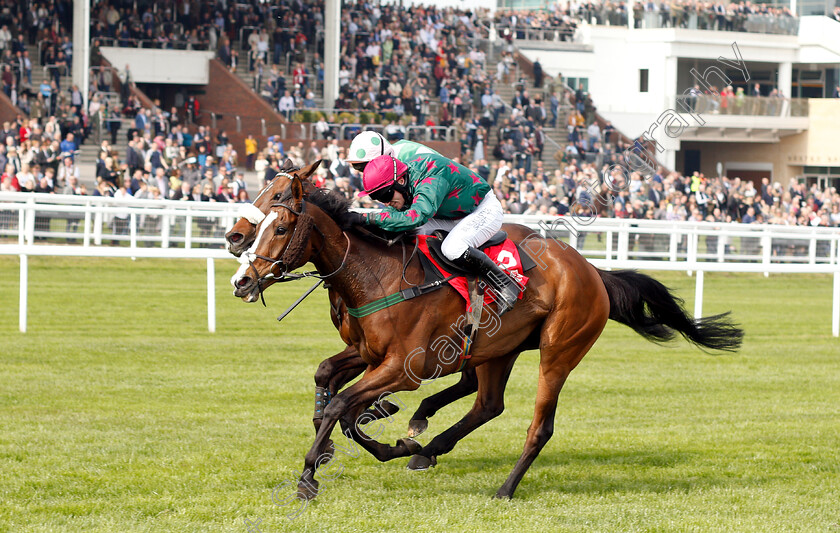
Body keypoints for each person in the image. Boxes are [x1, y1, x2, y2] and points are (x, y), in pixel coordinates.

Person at [351, 153, 521, 314]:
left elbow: (416, 216)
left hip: (483, 209)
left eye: (386, 194)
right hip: (453, 213)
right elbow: (396, 219)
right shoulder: (405, 179)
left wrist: (365, 218)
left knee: (452, 248)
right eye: (379, 198)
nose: (386, 202)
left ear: (401, 180)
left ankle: (504, 283)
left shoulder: (431, 178)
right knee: (407, 231)